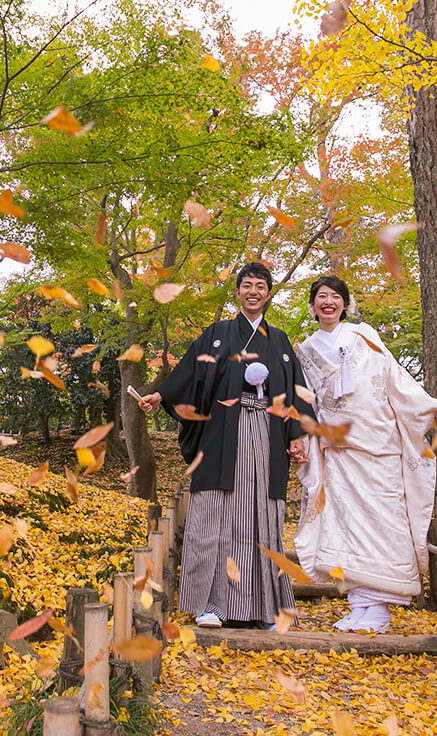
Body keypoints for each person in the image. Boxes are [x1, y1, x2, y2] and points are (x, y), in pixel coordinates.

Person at [138, 262, 314, 629]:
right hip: (222, 437)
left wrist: (298, 433)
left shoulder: (279, 341)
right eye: (246, 285)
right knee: (214, 517)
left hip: (267, 436)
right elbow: (188, 372)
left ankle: (265, 609)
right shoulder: (216, 335)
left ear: (268, 293)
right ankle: (212, 605)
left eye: (260, 286)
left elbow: (296, 388)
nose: (253, 291)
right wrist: (159, 394)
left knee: (263, 519)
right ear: (238, 292)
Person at [293, 276, 437, 633]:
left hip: (379, 443)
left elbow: (396, 378)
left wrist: (429, 409)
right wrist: (302, 438)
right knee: (344, 525)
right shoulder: (305, 349)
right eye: (322, 297)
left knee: (382, 521)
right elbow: (305, 401)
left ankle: (379, 608)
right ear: (312, 305)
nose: (329, 302)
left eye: (336, 297)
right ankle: (360, 605)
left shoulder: (364, 334)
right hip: (338, 448)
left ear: (346, 304)